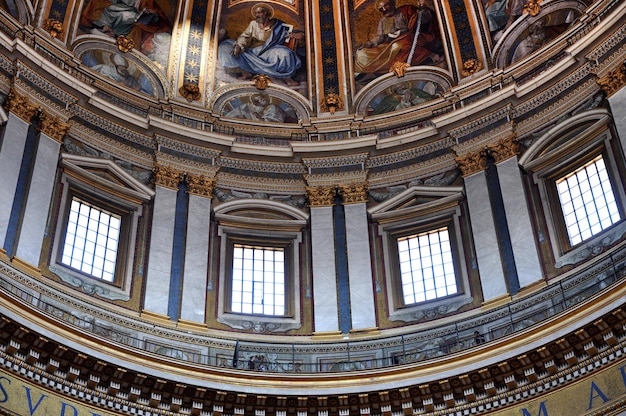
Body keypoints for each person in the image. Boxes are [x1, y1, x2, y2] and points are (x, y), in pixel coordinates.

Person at [218, 3, 303, 86]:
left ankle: (287, 77)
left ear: (265, 13)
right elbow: (245, 36)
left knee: (285, 54)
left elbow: (290, 31)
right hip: (253, 49)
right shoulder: (253, 24)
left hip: (270, 49)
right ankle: (246, 72)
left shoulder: (277, 24)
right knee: (226, 46)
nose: (257, 15)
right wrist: (239, 45)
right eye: (255, 13)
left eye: (259, 13)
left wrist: (299, 35)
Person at [354, 0, 441, 81]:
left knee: (398, 46)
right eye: (381, 9)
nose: (383, 9)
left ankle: (427, 55)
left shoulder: (406, 10)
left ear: (392, 4)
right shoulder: (383, 21)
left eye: (385, 6)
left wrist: (423, 9)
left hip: (410, 39)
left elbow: (421, 21)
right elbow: (378, 37)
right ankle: (369, 71)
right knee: (362, 53)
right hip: (388, 45)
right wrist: (368, 44)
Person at [80, 0, 171, 55]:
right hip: (124, 7)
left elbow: (158, 13)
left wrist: (151, 11)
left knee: (125, 16)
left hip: (135, 13)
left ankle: (113, 32)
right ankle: (104, 27)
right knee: (112, 9)